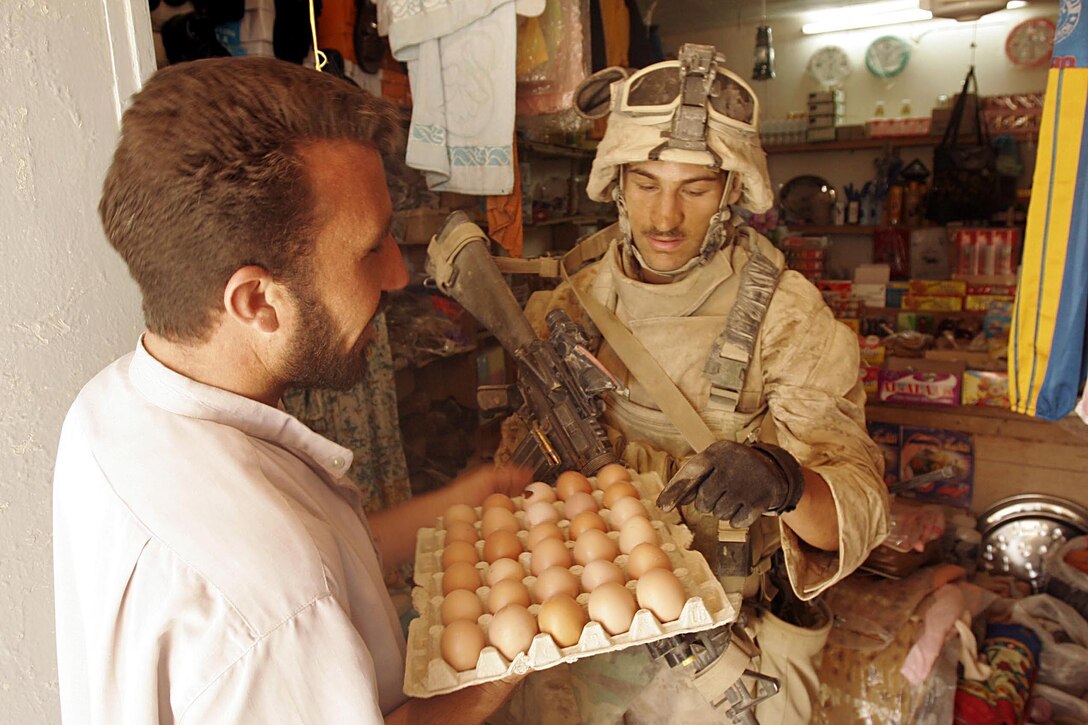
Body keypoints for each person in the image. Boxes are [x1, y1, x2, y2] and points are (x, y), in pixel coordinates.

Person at [52, 57, 529, 724]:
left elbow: (317, 561)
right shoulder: (272, 604)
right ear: (256, 300)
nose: (399, 274)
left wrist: (450, 505)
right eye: (370, 249)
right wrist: (510, 663)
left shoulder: (114, 406)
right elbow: (290, 594)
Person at [497, 45, 889, 724]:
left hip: (722, 658)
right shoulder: (566, 304)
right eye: (645, 182)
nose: (665, 217)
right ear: (615, 182)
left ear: (734, 190)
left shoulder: (785, 315)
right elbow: (513, 473)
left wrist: (784, 480)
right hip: (582, 643)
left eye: (695, 187)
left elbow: (858, 506)